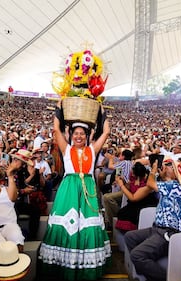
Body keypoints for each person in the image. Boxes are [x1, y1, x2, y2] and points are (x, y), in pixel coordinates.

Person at [39, 103, 111, 280]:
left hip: (88, 190)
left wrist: (103, 112)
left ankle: (86, 266)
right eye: (76, 133)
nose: (79, 136)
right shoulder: (67, 149)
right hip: (69, 189)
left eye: (82, 134)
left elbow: (107, 132)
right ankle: (62, 263)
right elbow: (56, 129)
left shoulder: (92, 150)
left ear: (87, 137)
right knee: (67, 223)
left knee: (87, 224)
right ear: (71, 135)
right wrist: (59, 109)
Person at [124, 158, 181, 281]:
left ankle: (163, 278)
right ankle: (145, 271)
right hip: (158, 229)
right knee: (130, 236)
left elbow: (150, 184)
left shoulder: (174, 186)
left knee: (137, 255)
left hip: (168, 234)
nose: (168, 168)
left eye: (171, 167)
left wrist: (153, 171)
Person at [114, 161, 158, 232]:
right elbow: (129, 188)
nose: (131, 173)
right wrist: (123, 182)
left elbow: (133, 198)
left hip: (143, 204)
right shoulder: (133, 178)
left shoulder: (147, 183)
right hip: (133, 204)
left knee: (129, 215)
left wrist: (121, 185)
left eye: (132, 172)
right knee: (122, 212)